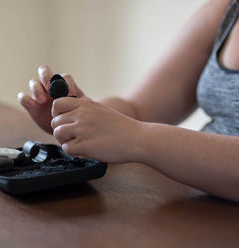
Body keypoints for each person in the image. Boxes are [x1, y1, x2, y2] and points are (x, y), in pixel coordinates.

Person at [17, 0, 239, 202]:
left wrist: (138, 137)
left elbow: (134, 130)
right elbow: (138, 108)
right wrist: (74, 113)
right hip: (197, 208)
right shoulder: (225, 10)